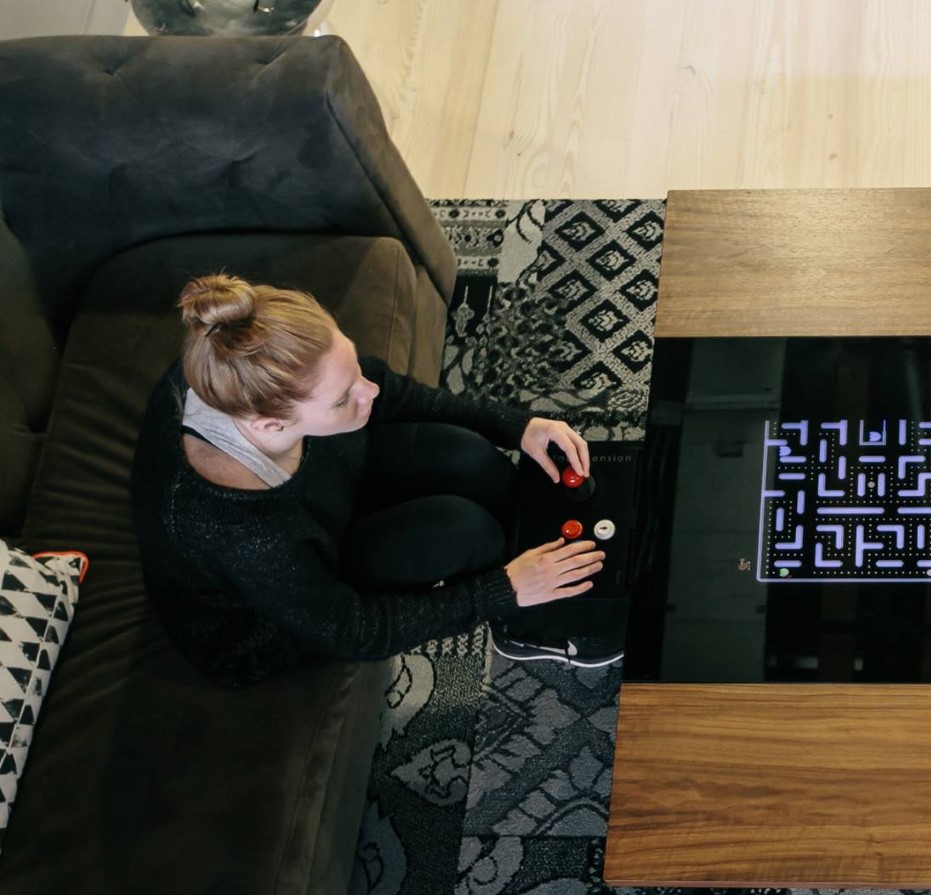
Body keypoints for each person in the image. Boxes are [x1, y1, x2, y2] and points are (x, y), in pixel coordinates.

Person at [132, 273, 606, 687]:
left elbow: (389, 391)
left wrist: (517, 425)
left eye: (355, 368)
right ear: (270, 427)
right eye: (344, 398)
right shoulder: (239, 530)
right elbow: (352, 631)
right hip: (285, 611)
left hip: (326, 507)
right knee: (463, 531)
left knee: (469, 457)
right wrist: (503, 591)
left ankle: (537, 551)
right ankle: (529, 627)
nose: (370, 392)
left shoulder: (232, 363)